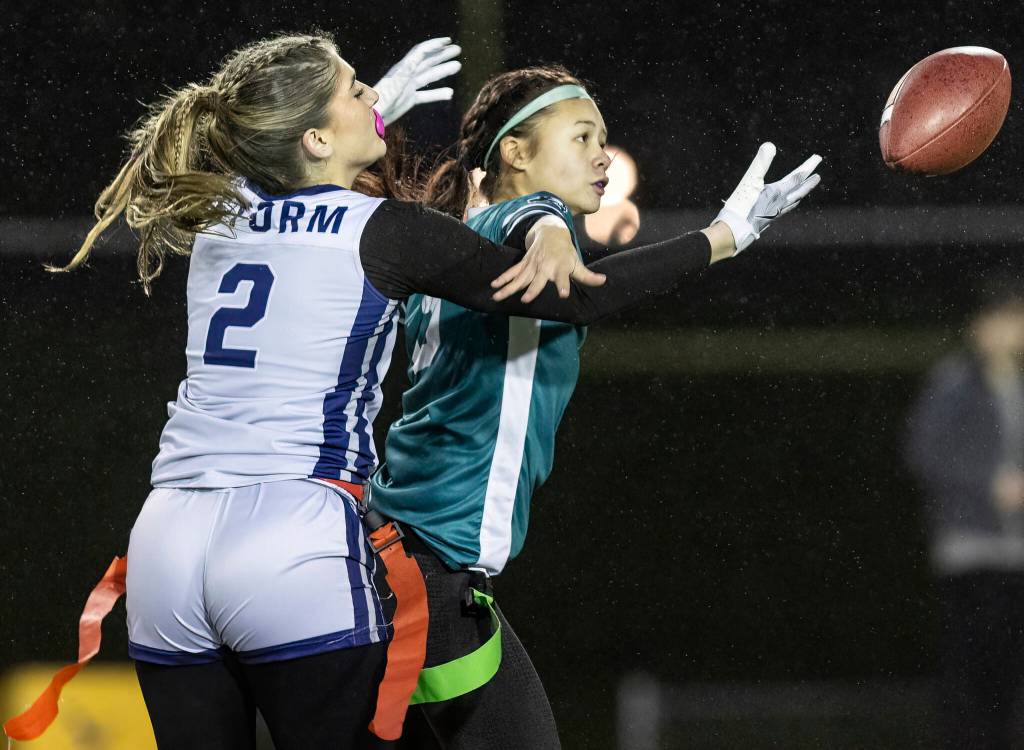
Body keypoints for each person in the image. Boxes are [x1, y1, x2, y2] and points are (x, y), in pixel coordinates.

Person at [4, 33, 813, 750]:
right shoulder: (382, 231)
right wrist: (720, 237)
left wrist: (359, 113)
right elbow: (555, 277)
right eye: (355, 89)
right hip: (296, 538)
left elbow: (277, 171)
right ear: (315, 135)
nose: (372, 97)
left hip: (166, 543)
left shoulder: (220, 211)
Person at [368, 65, 823, 749]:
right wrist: (724, 236)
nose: (602, 155)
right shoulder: (518, 223)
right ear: (515, 153)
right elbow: (539, 229)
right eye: (581, 136)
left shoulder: (447, 243)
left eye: (603, 139)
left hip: (394, 556)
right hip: (429, 570)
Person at [907, 282, 1024, 750]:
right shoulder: (953, 381)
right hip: (970, 548)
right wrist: (988, 482)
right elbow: (923, 451)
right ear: (981, 327)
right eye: (1008, 319)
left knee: (1012, 674)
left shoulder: (1019, 384)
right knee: (972, 669)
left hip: (1018, 552)